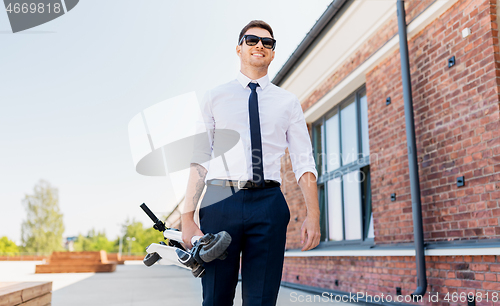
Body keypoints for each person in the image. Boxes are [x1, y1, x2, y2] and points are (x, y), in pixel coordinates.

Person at [181, 20, 320, 306]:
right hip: (220, 202)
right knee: (216, 298)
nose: (260, 45)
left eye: (267, 42)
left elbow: (304, 161)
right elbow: (199, 160)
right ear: (239, 48)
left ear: (272, 52)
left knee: (261, 300)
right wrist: (187, 217)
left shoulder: (288, 102)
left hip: (269, 204)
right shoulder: (214, 97)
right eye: (252, 40)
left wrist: (313, 214)